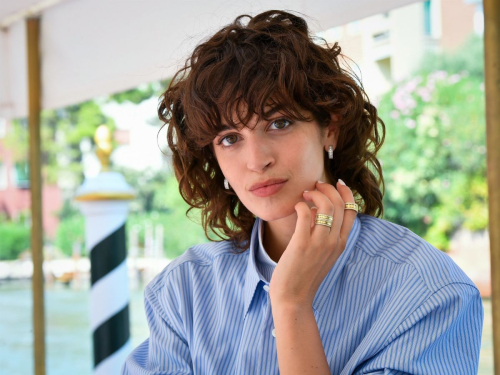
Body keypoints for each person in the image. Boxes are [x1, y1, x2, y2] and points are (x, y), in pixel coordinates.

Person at [121, 10, 483, 375]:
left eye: (279, 123)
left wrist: (291, 304)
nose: (257, 160)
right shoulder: (184, 292)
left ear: (330, 128)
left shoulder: (428, 291)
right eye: (229, 139)